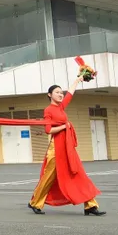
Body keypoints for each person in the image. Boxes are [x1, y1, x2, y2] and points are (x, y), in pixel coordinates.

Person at [28, 78, 106, 216]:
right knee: (49, 177)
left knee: (78, 173)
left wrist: (79, 79)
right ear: (49, 95)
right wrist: (64, 126)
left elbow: (70, 93)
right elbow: (48, 130)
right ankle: (35, 202)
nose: (60, 94)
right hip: (56, 148)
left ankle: (90, 205)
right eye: (57, 92)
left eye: (61, 92)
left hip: (67, 147)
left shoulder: (61, 107)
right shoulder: (49, 110)